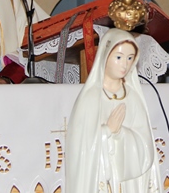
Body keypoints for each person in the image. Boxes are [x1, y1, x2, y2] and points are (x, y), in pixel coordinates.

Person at [66, 28, 161, 193]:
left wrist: (120, 134)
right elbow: (80, 149)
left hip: (129, 184)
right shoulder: (91, 97)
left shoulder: (133, 97)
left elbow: (146, 146)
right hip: (100, 182)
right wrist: (107, 131)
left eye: (130, 58)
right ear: (105, 56)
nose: (125, 64)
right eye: (119, 57)